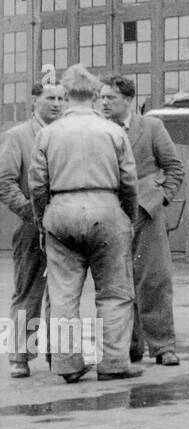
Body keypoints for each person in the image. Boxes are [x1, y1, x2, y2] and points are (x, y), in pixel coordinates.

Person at [29, 65, 140, 383]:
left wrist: (42, 220)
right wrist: (128, 218)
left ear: (66, 95)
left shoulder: (47, 134)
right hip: (106, 211)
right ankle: (114, 363)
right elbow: (129, 182)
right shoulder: (113, 131)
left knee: (63, 294)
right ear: (93, 95)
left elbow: (38, 184)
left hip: (61, 212)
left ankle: (67, 364)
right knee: (115, 293)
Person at [99, 77, 184, 365]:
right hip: (111, 214)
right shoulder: (98, 130)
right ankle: (129, 347)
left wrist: (160, 199)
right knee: (117, 282)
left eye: (111, 97)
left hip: (146, 213)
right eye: (102, 97)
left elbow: (174, 168)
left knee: (154, 279)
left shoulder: (151, 127)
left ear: (128, 100)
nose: (105, 102)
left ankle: (162, 347)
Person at [0, 80, 66, 376]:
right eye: (50, 98)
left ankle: (61, 356)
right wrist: (31, 212)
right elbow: (5, 182)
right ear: (34, 101)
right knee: (27, 291)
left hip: (65, 225)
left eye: (62, 98)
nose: (57, 103)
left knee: (65, 293)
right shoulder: (17, 136)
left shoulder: (67, 134)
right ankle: (19, 356)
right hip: (31, 228)